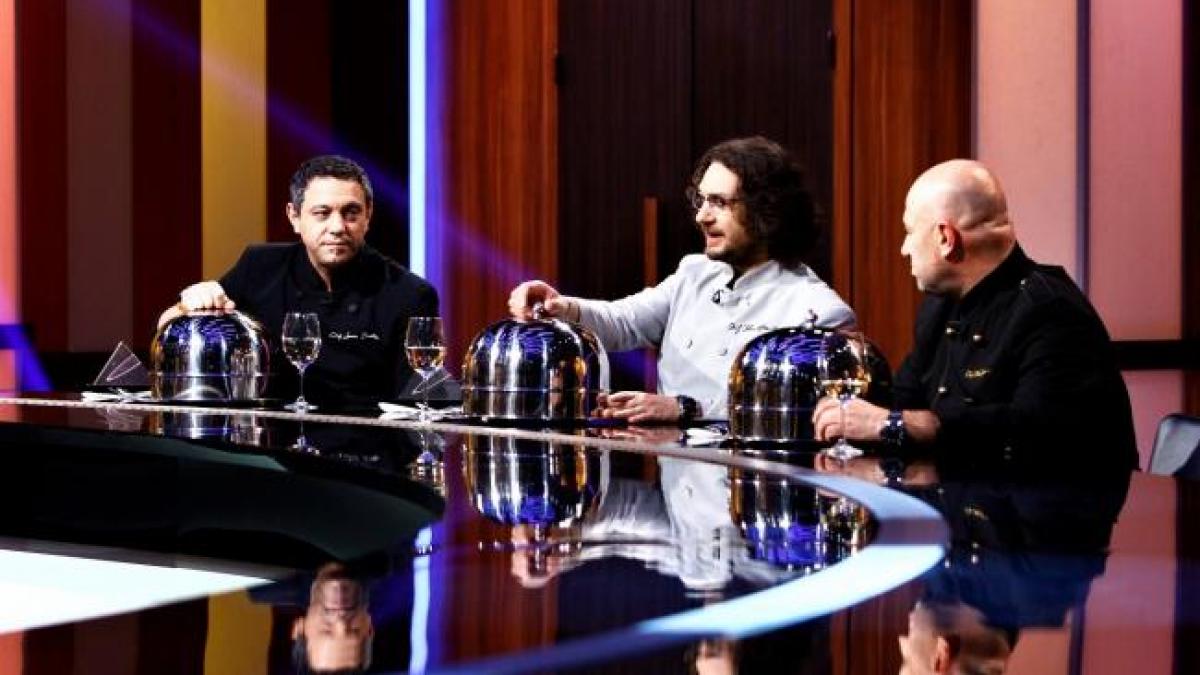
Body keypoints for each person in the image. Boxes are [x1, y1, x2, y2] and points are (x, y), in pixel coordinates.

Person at [813, 159, 1137, 468]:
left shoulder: (1050, 309)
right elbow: (901, 401)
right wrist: (853, 418)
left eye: (910, 231)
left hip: (1051, 505)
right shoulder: (938, 309)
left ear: (945, 238)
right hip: (963, 499)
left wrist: (896, 425)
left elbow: (1037, 432)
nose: (904, 248)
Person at [508, 136, 855, 423]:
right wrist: (560, 307)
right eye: (700, 200)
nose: (702, 216)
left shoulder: (818, 310)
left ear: (767, 209)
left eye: (719, 202)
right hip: (676, 478)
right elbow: (623, 322)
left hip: (751, 482)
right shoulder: (693, 273)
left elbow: (806, 411)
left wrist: (687, 408)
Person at [158, 155, 438, 408]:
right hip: (270, 439)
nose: (337, 227)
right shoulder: (259, 267)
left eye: (351, 213)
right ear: (294, 217)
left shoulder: (409, 294)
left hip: (366, 442)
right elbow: (167, 325)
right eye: (322, 213)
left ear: (368, 216)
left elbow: (419, 404)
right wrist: (189, 304)